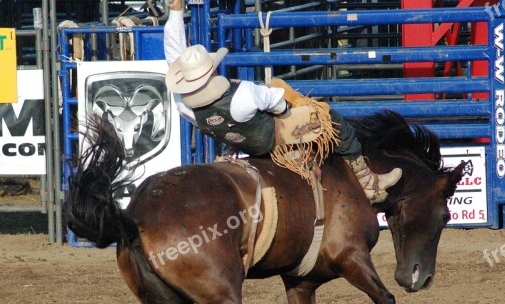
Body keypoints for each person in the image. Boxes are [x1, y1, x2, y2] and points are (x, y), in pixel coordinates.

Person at [163, 0, 401, 203]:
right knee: (332, 120)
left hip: (241, 143)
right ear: (212, 71)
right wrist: (287, 103)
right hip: (272, 140)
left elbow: (174, 55)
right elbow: (276, 102)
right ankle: (367, 181)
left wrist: (175, 12)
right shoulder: (243, 94)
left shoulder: (185, 105)